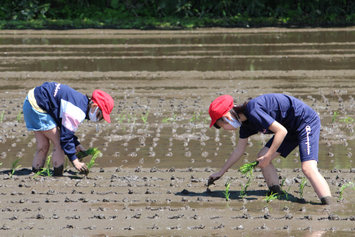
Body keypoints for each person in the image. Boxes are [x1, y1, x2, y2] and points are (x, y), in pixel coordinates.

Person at [208, 93, 332, 205]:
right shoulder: (245, 125)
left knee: (308, 168)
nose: (225, 129)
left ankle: (329, 205)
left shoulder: (253, 110)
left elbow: (281, 131)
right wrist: (221, 172)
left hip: (305, 122)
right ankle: (276, 192)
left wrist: (268, 156)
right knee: (261, 156)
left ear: (227, 118)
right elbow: (239, 150)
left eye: (222, 125)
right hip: (289, 128)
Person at [23, 82, 114, 176]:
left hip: (32, 99)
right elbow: (65, 139)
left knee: (43, 145)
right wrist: (76, 162)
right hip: (38, 106)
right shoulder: (76, 111)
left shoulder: (81, 101)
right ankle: (58, 177)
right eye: (99, 115)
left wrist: (76, 144)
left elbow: (64, 129)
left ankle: (35, 174)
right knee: (59, 143)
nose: (98, 119)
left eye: (101, 119)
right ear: (94, 106)